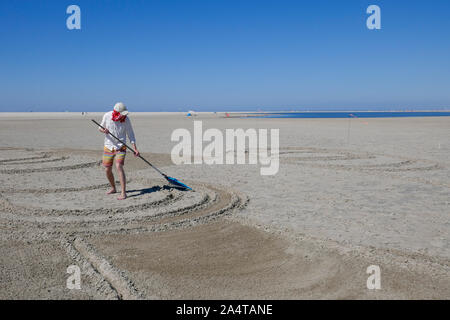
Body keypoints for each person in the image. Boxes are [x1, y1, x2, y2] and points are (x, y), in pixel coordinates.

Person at [98, 102, 140, 200]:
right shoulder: (107, 116)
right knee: (107, 169)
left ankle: (123, 193)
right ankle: (113, 188)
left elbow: (131, 134)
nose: (124, 115)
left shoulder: (126, 120)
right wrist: (104, 131)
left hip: (121, 147)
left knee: (118, 166)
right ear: (116, 112)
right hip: (108, 146)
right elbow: (99, 128)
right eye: (122, 113)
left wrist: (135, 148)